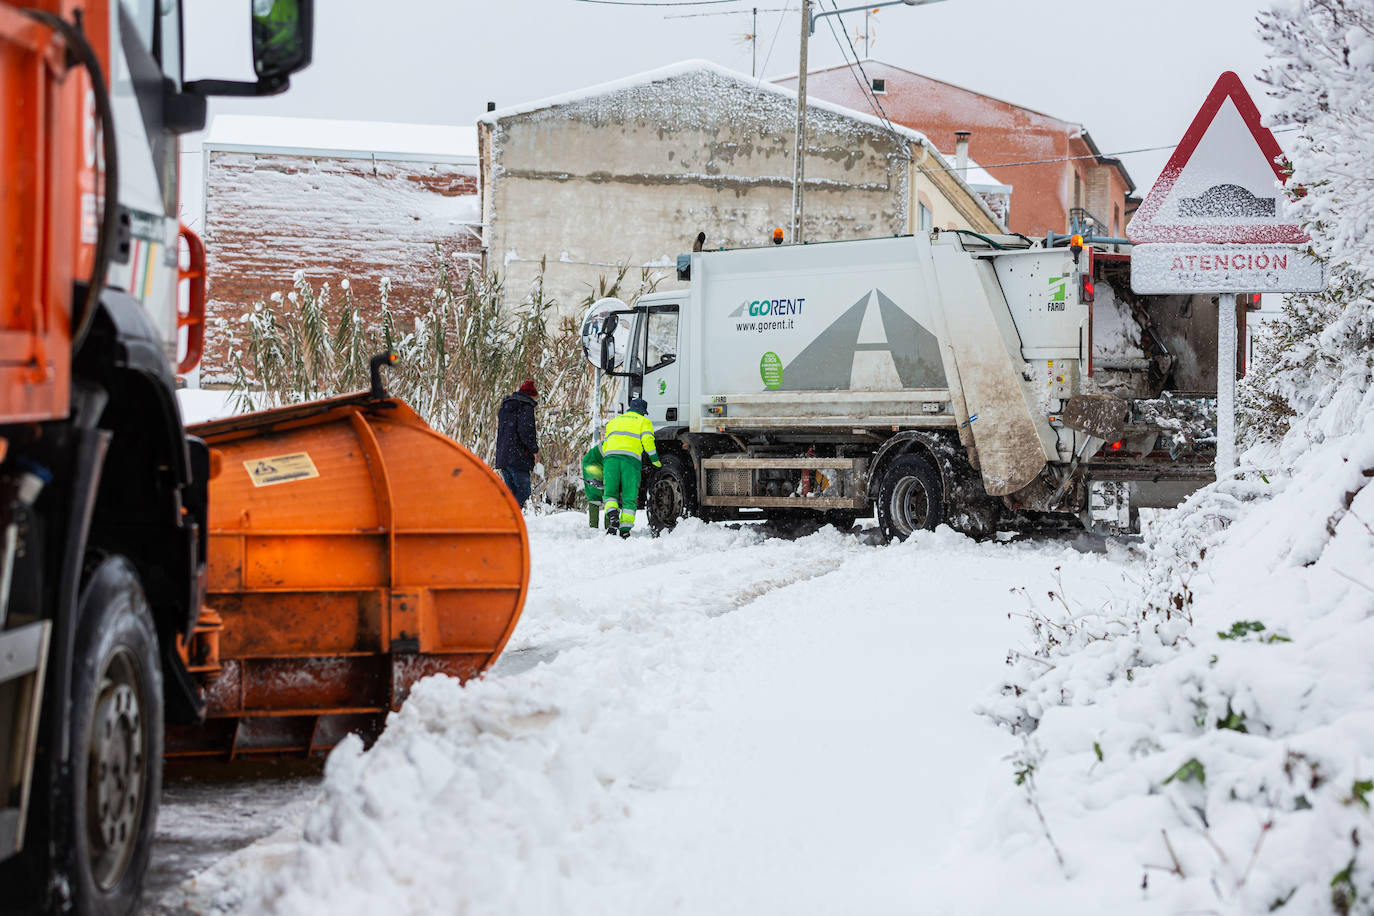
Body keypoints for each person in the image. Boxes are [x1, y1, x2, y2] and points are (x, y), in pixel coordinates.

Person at [601, 398, 660, 538]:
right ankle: (625, 530)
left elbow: (605, 444)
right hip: (630, 462)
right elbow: (648, 442)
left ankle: (613, 516)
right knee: (629, 496)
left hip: (610, 459)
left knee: (610, 493)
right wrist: (655, 461)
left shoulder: (614, 421)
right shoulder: (644, 422)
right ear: (643, 412)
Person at [494, 380, 539, 508]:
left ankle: (508, 520)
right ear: (531, 395)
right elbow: (526, 431)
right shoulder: (525, 406)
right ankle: (512, 519)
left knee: (511, 493)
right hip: (518, 457)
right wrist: (534, 450)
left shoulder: (505, 407)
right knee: (524, 491)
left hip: (503, 457)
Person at [581, 444, 605, 529]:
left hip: (590, 462)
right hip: (593, 465)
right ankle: (607, 527)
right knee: (610, 494)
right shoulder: (615, 445)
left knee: (596, 496)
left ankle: (594, 527)